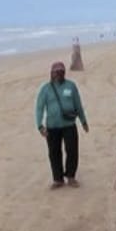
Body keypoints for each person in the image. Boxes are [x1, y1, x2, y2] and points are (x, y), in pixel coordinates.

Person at [35, 61, 89, 189]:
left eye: (61, 71)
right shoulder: (45, 89)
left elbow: (78, 105)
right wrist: (40, 125)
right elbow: (39, 108)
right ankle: (58, 179)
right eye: (56, 72)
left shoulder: (71, 86)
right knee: (54, 153)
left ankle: (71, 176)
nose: (59, 74)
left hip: (69, 125)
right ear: (51, 73)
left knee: (72, 150)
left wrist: (83, 121)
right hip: (52, 127)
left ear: (64, 72)